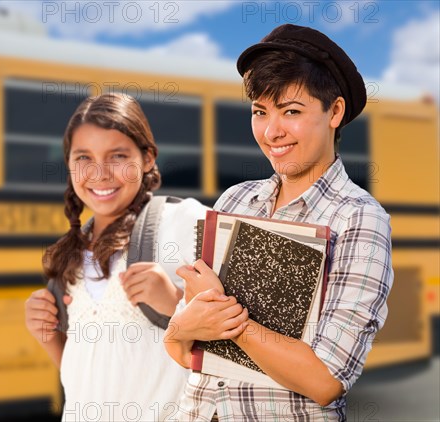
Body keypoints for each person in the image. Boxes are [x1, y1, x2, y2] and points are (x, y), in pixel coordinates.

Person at [165, 24, 394, 421]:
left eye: (291, 111)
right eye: (260, 112)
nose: (272, 132)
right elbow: (185, 351)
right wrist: (182, 327)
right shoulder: (235, 200)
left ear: (334, 112)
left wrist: (225, 316)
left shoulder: (359, 218)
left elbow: (324, 379)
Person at [24, 93, 209, 422]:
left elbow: (243, 334)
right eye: (83, 158)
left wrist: (176, 303)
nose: (100, 173)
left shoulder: (184, 222)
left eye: (118, 155)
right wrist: (48, 335)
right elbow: (85, 376)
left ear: (148, 158)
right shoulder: (72, 254)